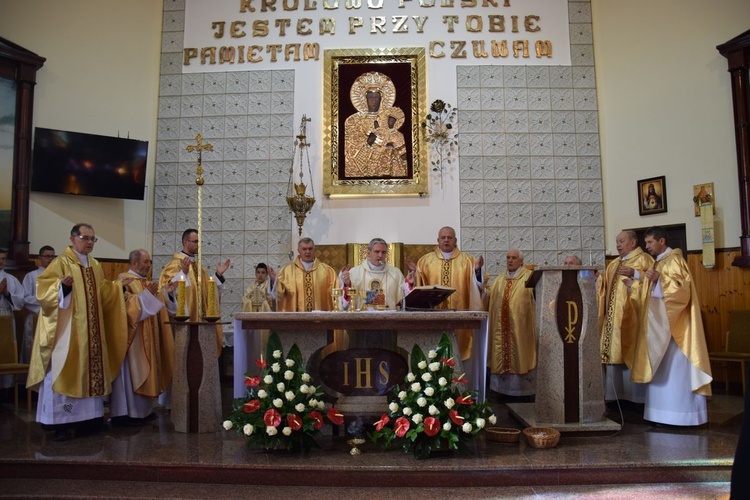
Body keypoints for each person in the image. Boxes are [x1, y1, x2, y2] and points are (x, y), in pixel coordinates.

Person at [27, 223, 129, 441]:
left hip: (92, 334)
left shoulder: (95, 265)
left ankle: (88, 421)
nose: (90, 242)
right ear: (72, 239)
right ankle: (60, 425)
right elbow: (43, 291)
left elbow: (102, 293)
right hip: (68, 334)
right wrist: (62, 288)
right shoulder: (61, 262)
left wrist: (117, 288)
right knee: (64, 371)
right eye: (85, 238)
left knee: (90, 373)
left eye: (93, 239)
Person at [630, 226, 712, 426]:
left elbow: (682, 291)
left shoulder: (675, 260)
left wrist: (660, 279)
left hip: (676, 328)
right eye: (646, 242)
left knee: (676, 372)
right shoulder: (659, 262)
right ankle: (660, 415)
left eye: (650, 242)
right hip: (660, 326)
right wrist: (636, 284)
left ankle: (683, 417)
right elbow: (653, 294)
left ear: (662, 241)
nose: (647, 246)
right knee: (661, 370)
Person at [110, 249, 175, 426]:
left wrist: (165, 293)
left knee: (146, 371)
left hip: (147, 338)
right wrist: (148, 296)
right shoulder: (124, 280)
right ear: (134, 263)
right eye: (146, 262)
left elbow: (157, 305)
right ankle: (126, 414)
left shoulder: (144, 282)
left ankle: (144, 412)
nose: (148, 265)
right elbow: (124, 306)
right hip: (132, 341)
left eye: (149, 262)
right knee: (132, 375)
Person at [598, 230, 653, 404]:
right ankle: (615, 397)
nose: (618, 245)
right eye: (617, 242)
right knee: (614, 355)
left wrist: (635, 274)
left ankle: (637, 399)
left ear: (633, 242)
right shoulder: (613, 264)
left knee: (632, 354)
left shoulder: (644, 259)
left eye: (622, 241)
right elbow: (603, 290)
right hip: (613, 320)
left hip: (633, 318)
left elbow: (655, 282)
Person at [158, 228, 229, 356]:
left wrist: (218, 275)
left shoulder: (200, 268)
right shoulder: (174, 265)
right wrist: (183, 274)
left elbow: (209, 294)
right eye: (195, 242)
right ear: (185, 243)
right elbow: (165, 292)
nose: (198, 245)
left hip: (202, 325)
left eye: (199, 242)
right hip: (184, 325)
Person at [416, 226, 484, 360]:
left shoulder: (468, 261)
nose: (446, 240)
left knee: (458, 352)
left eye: (449, 237)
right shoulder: (425, 261)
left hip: (460, 315)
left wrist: (476, 271)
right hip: (433, 317)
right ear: (438, 240)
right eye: (443, 238)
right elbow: (419, 288)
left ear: (455, 240)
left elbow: (476, 287)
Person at [487, 249, 537, 398]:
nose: (510, 260)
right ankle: (501, 392)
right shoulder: (499, 280)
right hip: (501, 330)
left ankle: (523, 393)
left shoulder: (530, 279)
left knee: (520, 354)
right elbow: (487, 299)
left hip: (521, 330)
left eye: (514, 258)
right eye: (508, 257)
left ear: (521, 261)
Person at [343, 71, 406, 178]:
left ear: (382, 99)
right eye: (371, 97)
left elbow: (399, 147)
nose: (374, 101)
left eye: (377, 97)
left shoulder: (386, 117)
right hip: (362, 163)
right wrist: (369, 142)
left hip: (387, 164)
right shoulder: (353, 120)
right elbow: (350, 148)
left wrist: (389, 145)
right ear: (365, 99)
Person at [339, 238, 415, 310]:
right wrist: (346, 285)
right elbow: (345, 305)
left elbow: (404, 299)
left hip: (389, 319)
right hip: (362, 319)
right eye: (377, 252)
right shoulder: (355, 272)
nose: (380, 255)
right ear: (368, 253)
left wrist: (408, 284)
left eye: (383, 252)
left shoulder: (395, 273)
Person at [273, 238, 336, 312]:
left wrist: (345, 282)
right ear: (298, 251)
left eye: (310, 249)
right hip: (296, 320)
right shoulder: (286, 272)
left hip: (319, 320)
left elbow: (337, 294)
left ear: (314, 249)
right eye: (304, 249)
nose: (307, 252)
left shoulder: (327, 271)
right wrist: (273, 281)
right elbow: (277, 295)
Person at [21, 246, 55, 365]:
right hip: (36, 316)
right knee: (32, 347)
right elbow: (25, 298)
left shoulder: (58, 276)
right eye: (47, 256)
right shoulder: (31, 276)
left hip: (53, 318)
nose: (50, 259)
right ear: (40, 258)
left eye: (52, 256)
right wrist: (44, 300)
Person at [0, 249, 25, 390]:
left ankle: (5, 389)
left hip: (7, 317)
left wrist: (7, 294)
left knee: (6, 351)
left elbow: (21, 301)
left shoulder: (11, 279)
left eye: (3, 258)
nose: (1, 261)